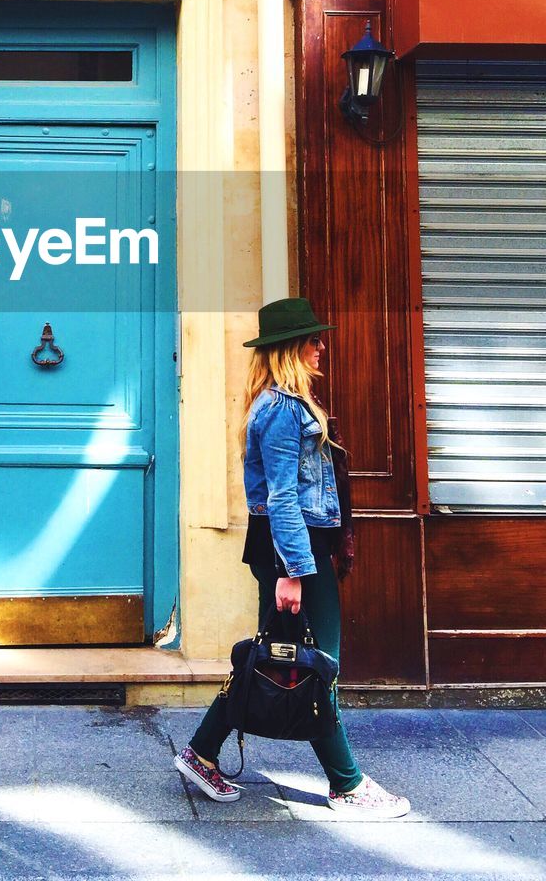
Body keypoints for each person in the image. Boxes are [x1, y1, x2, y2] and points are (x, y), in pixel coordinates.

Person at [173, 297, 410, 819]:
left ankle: (201, 752)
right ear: (289, 349)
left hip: (292, 546)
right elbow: (281, 497)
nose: (321, 346)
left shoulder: (281, 404)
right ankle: (347, 785)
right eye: (312, 339)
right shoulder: (282, 411)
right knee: (318, 664)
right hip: (294, 550)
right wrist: (294, 571)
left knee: (275, 659)